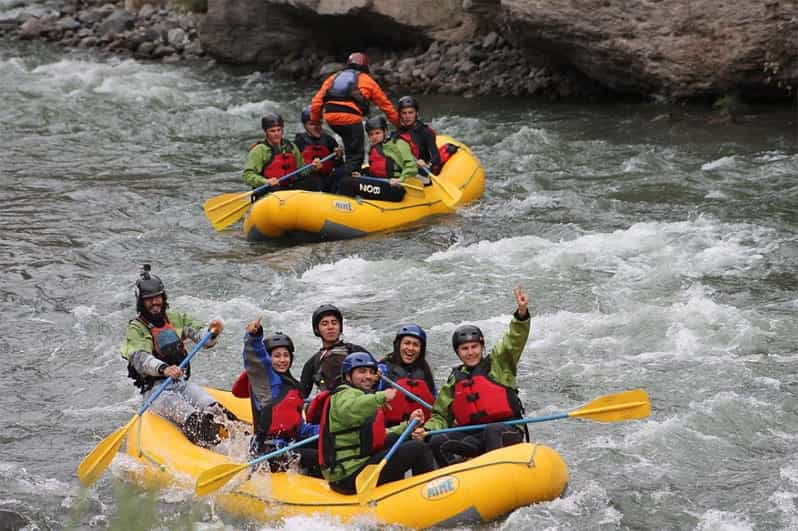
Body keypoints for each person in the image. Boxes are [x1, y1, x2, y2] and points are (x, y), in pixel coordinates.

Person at [413, 286, 531, 466]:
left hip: (507, 431)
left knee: (493, 430)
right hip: (475, 436)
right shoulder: (455, 380)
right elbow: (441, 416)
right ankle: (452, 484)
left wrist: (521, 315)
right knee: (438, 441)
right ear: (458, 352)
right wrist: (427, 430)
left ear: (482, 347)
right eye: (464, 349)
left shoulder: (499, 363)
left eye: (474, 347)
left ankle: (498, 477)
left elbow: (513, 341)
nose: (470, 353)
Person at [120, 265, 229, 448]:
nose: (155, 303)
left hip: (179, 383)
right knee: (193, 418)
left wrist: (212, 332)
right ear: (141, 302)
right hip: (156, 392)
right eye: (149, 300)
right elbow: (140, 358)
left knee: (215, 410)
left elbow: (203, 339)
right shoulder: (136, 329)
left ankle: (241, 442)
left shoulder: (176, 319)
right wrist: (164, 369)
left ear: (163, 298)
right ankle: (206, 450)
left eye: (158, 297)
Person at [312, 352, 435, 494]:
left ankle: (402, 493)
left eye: (371, 372)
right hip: (348, 476)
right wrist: (381, 397)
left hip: (360, 465)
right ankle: (427, 493)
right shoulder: (343, 395)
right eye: (362, 371)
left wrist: (409, 425)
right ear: (347, 376)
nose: (368, 376)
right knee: (418, 448)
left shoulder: (362, 396)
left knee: (401, 440)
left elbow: (379, 435)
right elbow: (350, 409)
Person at [234, 316, 321, 476]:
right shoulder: (265, 380)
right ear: (269, 358)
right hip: (268, 450)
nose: (282, 360)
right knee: (320, 457)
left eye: (286, 355)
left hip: (289, 446)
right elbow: (256, 357)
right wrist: (254, 336)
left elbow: (298, 427)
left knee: (326, 443)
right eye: (277, 356)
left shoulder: (293, 386)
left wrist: (326, 430)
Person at [309, 52, 399, 183]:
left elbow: (316, 102)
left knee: (350, 153)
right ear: (364, 66)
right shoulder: (368, 81)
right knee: (356, 157)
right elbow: (386, 106)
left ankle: (341, 177)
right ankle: (343, 184)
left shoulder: (333, 77)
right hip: (351, 121)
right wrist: (400, 126)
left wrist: (316, 121)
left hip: (331, 120)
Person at [242, 113, 322, 201]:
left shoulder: (291, 147)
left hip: (289, 189)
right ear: (265, 132)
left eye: (279, 130)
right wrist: (265, 181)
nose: (276, 134)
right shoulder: (259, 151)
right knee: (275, 189)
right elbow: (247, 175)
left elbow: (301, 171)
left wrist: (312, 167)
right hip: (270, 191)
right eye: (272, 131)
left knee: (314, 181)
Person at [336, 116, 416, 202]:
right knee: (344, 177)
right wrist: (362, 176)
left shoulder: (398, 143)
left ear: (385, 132)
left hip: (394, 188)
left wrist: (400, 179)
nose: (374, 137)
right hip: (379, 185)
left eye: (377, 133)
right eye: (371, 134)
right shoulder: (373, 149)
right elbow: (377, 170)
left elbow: (411, 167)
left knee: (347, 184)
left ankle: (347, 210)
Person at [299, 304, 367, 398]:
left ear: (340, 327)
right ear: (317, 330)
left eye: (334, 323)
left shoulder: (356, 351)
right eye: (324, 324)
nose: (330, 327)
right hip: (330, 408)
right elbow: (301, 397)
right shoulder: (312, 364)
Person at [377, 324, 436, 426]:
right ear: (399, 345)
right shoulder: (383, 370)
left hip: (421, 431)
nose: (410, 348)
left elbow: (436, 403)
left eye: (415, 345)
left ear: (421, 349)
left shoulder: (425, 372)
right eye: (407, 343)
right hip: (391, 431)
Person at [293, 106, 344, 192]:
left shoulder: (329, 140)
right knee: (317, 181)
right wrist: (311, 169)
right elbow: (295, 171)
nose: (316, 127)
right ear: (305, 125)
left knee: (343, 173)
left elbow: (338, 165)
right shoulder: (298, 143)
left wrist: (338, 157)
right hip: (306, 181)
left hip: (326, 179)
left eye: (318, 123)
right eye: (311, 124)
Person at [394, 96, 443, 178]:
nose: (407, 116)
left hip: (423, 170)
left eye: (410, 112)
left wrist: (427, 164)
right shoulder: (397, 134)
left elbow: (436, 156)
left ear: (416, 113)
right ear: (400, 115)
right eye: (404, 113)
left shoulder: (425, 132)